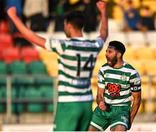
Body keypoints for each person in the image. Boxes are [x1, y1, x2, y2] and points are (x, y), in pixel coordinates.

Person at [7, 0, 108, 131]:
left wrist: (14, 18)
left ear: (69, 25)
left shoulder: (64, 46)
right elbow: (104, 34)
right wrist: (104, 12)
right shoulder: (93, 45)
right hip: (86, 103)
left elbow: (31, 36)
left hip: (69, 103)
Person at [89, 41, 141, 131]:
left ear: (119, 54)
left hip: (121, 110)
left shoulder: (132, 73)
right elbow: (99, 95)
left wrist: (130, 120)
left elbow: (137, 99)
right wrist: (100, 102)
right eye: (106, 51)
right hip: (104, 110)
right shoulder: (103, 69)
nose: (106, 54)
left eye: (110, 52)